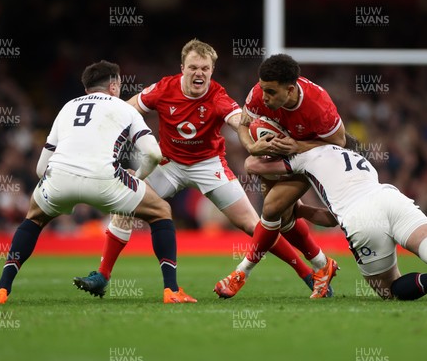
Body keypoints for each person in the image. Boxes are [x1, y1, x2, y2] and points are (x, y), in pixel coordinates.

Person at [73, 40, 316, 303]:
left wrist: (251, 144)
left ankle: (306, 273)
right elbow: (129, 108)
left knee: (252, 224)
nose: (199, 73)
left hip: (208, 164)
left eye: (205, 68)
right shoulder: (165, 88)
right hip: (169, 165)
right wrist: (100, 120)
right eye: (193, 67)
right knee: (124, 205)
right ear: (182, 68)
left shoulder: (218, 96)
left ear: (212, 71)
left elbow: (238, 122)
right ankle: (102, 276)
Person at [240, 136, 427, 302]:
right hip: (389, 197)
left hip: (360, 218)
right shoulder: (357, 158)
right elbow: (332, 217)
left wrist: (266, 145)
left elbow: (252, 165)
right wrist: (302, 210)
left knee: (390, 290)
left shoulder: (307, 155)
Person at [0, 60, 177, 304]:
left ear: (87, 90)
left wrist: (56, 186)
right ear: (115, 86)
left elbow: (41, 167)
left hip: (59, 177)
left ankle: (1, 290)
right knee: (161, 211)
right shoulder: (124, 108)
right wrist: (137, 179)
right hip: (106, 180)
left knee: (33, 219)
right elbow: (154, 154)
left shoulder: (67, 107)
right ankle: (171, 291)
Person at [214, 54, 346, 299]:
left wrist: (298, 146)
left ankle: (241, 273)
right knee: (282, 217)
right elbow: (244, 124)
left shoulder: (318, 105)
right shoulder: (259, 92)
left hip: (313, 156)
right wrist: (252, 146)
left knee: (272, 208)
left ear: (290, 89)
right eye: (263, 89)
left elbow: (339, 142)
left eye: (271, 93)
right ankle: (322, 263)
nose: (264, 97)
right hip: (283, 151)